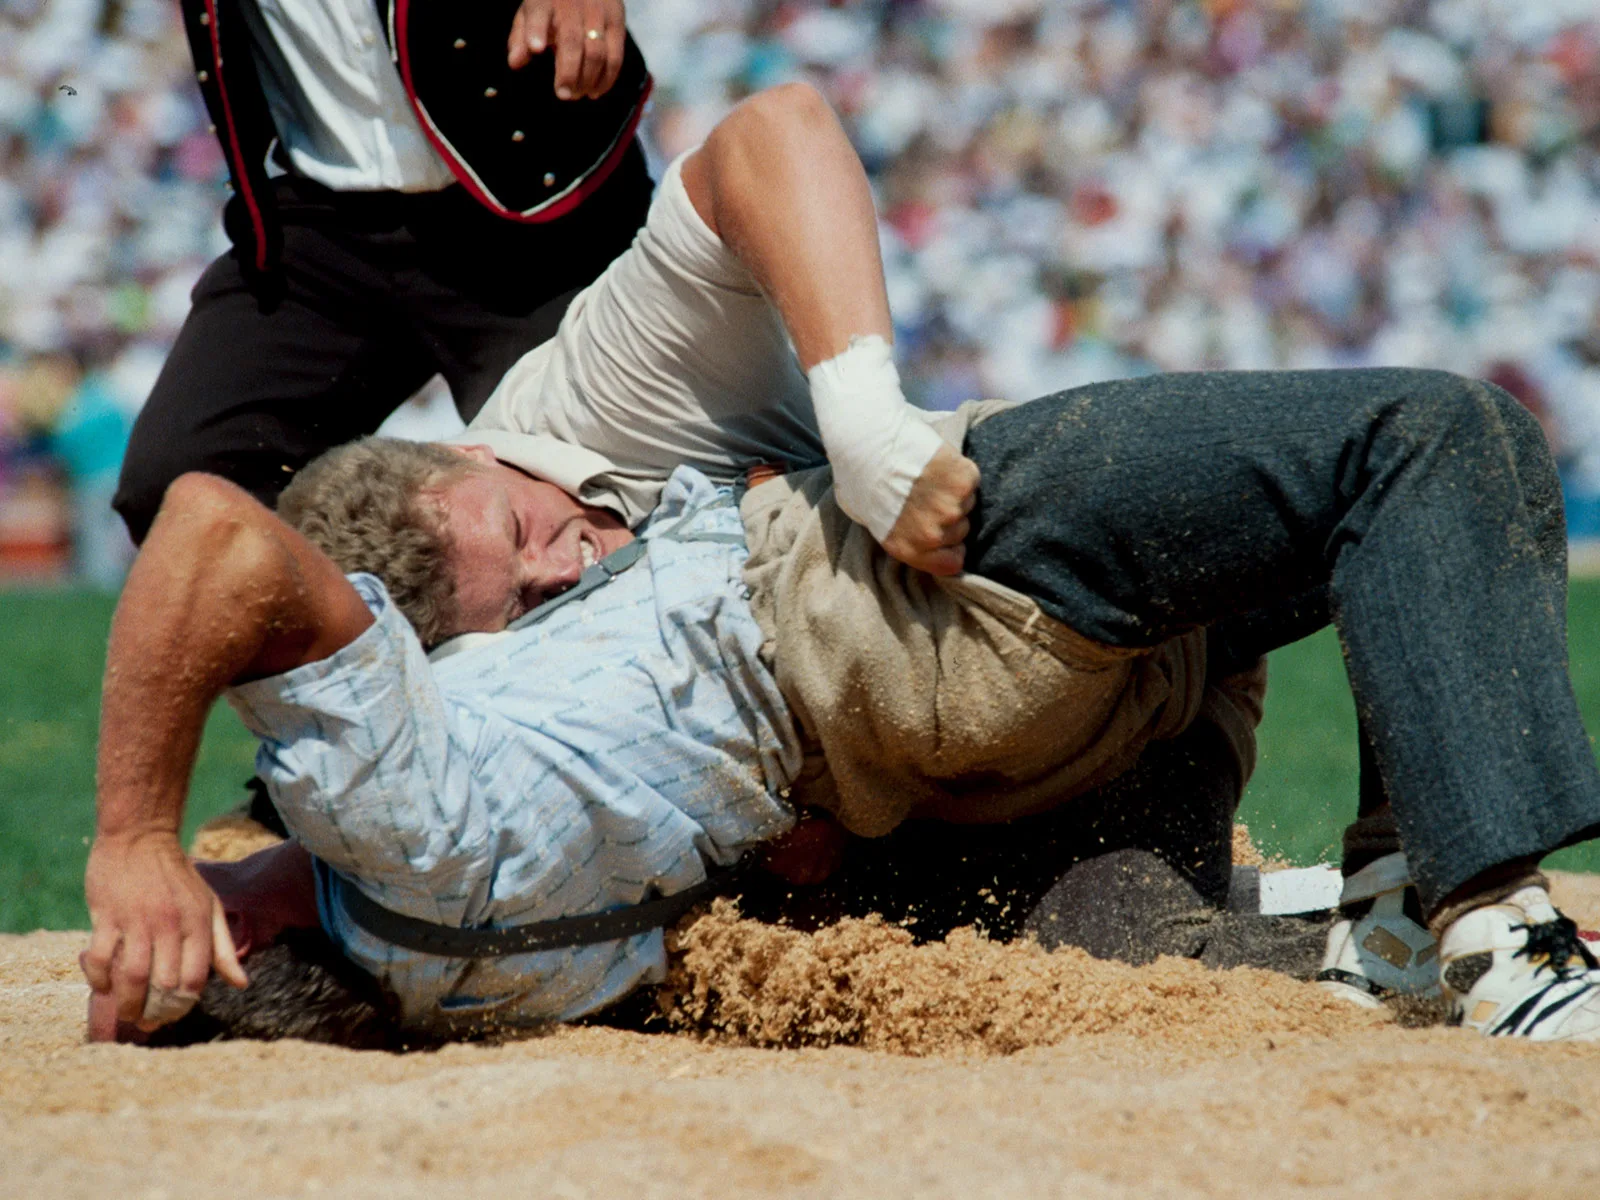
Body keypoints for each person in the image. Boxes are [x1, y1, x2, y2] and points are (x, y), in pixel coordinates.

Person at [83, 85, 1600, 1044]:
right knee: (1434, 439)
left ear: (472, 457)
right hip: (953, 634)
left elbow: (772, 132)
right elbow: (223, 539)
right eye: (521, 608)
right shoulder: (436, 778)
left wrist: (858, 418)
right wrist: (171, 850)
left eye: (527, 540)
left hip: (1018, 710)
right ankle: (1484, 916)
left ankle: (1391, 908)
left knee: (1140, 949)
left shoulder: (551, 422)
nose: (561, 576)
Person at [111, 0, 656, 544]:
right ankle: (375, 619)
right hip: (324, 216)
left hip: (537, 201)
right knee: (184, 486)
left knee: (587, 492)